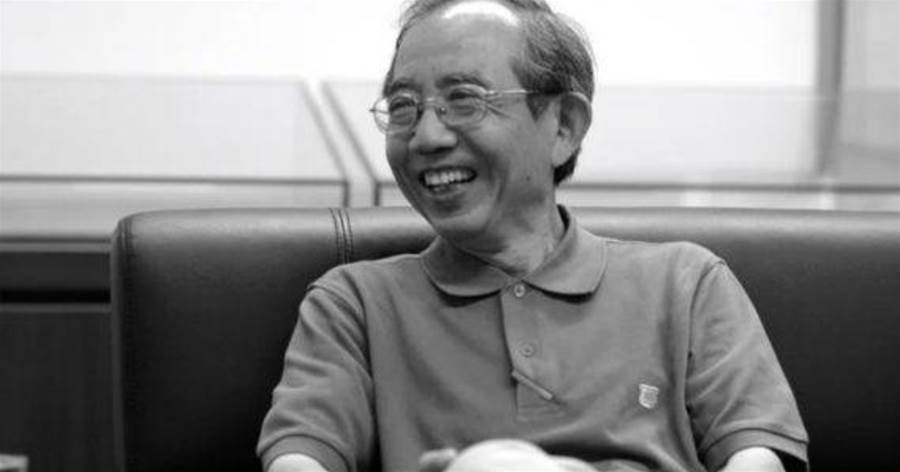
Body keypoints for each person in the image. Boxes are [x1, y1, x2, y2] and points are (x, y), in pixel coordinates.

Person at [257, 0, 809, 470]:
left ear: (563, 126)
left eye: (464, 99)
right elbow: (299, 460)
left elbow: (757, 458)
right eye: (404, 107)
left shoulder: (686, 282)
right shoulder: (352, 303)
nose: (426, 136)